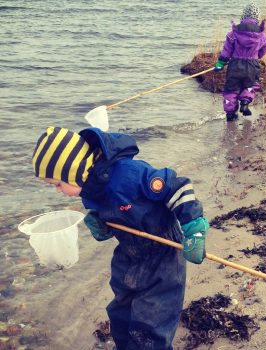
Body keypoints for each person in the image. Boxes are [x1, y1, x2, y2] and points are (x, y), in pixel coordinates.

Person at [31, 126, 209, 350]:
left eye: (58, 183)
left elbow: (178, 187)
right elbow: (109, 212)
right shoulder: (89, 188)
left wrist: (194, 228)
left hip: (163, 255)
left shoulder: (129, 174)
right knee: (120, 312)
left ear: (75, 170)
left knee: (151, 322)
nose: (57, 190)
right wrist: (100, 222)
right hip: (129, 254)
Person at [214, 2, 266, 121]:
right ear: (257, 18)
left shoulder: (234, 33)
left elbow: (226, 51)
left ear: (243, 17)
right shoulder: (261, 35)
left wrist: (220, 64)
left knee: (231, 89)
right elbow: (265, 47)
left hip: (235, 65)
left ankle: (230, 114)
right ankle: (244, 103)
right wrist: (257, 55)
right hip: (252, 65)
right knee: (250, 85)